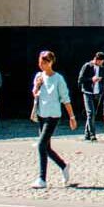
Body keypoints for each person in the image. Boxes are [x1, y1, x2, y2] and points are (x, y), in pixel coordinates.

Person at [31, 50, 76, 189]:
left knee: (40, 145)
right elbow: (35, 94)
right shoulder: (39, 76)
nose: (42, 65)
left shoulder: (58, 79)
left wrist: (72, 116)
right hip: (41, 114)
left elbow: (65, 98)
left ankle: (42, 178)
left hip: (53, 115)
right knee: (46, 147)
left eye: (44, 63)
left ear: (50, 62)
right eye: (40, 63)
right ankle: (63, 166)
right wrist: (37, 86)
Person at [77, 51, 104, 141]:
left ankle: (87, 134)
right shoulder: (87, 66)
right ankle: (92, 134)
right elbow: (80, 79)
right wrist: (91, 79)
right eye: (99, 61)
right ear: (96, 59)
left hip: (97, 93)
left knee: (92, 114)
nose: (100, 63)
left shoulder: (101, 68)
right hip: (88, 92)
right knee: (90, 113)